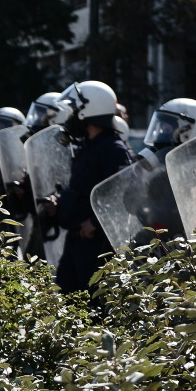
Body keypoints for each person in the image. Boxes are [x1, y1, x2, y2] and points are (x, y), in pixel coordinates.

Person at [45, 80, 134, 294]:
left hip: (96, 242)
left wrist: (94, 223)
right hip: (76, 238)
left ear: (89, 111)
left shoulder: (112, 148)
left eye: (75, 110)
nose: (71, 116)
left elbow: (124, 194)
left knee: (93, 301)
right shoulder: (87, 146)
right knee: (67, 295)